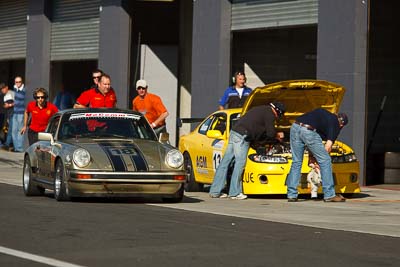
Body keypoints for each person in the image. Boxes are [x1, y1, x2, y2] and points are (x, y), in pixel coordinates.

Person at [209, 101, 286, 200]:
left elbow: (257, 129)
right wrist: (278, 136)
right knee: (240, 163)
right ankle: (235, 193)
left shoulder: (260, 108)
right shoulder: (270, 114)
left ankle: (215, 191)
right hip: (242, 136)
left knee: (225, 162)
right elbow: (270, 133)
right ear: (278, 111)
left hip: (235, 132)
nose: (277, 118)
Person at [286, 108, 349, 202]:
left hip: (295, 127)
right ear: (341, 124)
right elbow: (327, 146)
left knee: (297, 161)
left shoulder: (325, 116)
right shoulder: (335, 123)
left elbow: (313, 138)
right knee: (326, 161)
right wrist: (320, 160)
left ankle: (291, 194)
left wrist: (312, 157)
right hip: (308, 131)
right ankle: (329, 195)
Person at [11, 76, 26, 152]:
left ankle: (19, 148)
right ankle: (16, 147)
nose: (18, 83)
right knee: (13, 131)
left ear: (22, 82)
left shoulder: (24, 90)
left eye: (19, 82)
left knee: (20, 131)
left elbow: (22, 99)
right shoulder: (15, 89)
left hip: (21, 113)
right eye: (16, 82)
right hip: (15, 112)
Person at [1, 83, 15, 151]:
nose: (2, 90)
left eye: (3, 88)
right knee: (9, 129)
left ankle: (7, 144)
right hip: (9, 114)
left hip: (14, 114)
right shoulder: (5, 96)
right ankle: (10, 145)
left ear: (6, 87)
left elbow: (16, 102)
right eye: (1, 89)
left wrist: (9, 105)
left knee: (11, 130)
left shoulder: (11, 93)